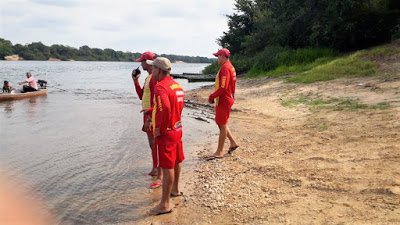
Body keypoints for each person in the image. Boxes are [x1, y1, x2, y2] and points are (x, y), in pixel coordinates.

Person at [144, 57, 185, 216]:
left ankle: (165, 204)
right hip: (177, 129)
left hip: (166, 133)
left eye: (153, 68)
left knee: (167, 167)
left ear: (159, 70)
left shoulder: (160, 87)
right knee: (176, 161)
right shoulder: (177, 85)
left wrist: (160, 128)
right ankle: (175, 190)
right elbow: (175, 106)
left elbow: (166, 108)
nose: (152, 71)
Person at [132, 51, 162, 189]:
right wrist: (135, 81)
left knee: (154, 143)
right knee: (152, 143)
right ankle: (155, 168)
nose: (140, 64)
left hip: (151, 114)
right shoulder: (148, 78)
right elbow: (141, 96)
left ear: (148, 62)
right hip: (147, 113)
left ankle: (158, 170)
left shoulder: (154, 78)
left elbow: (157, 99)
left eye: (142, 61)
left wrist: (150, 117)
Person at [207, 48, 239, 160]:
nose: (217, 59)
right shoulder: (230, 66)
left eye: (217, 56)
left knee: (221, 125)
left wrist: (212, 96)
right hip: (227, 98)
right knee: (222, 123)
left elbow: (223, 88)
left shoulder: (225, 68)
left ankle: (219, 152)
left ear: (222, 56)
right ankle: (233, 143)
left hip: (224, 100)